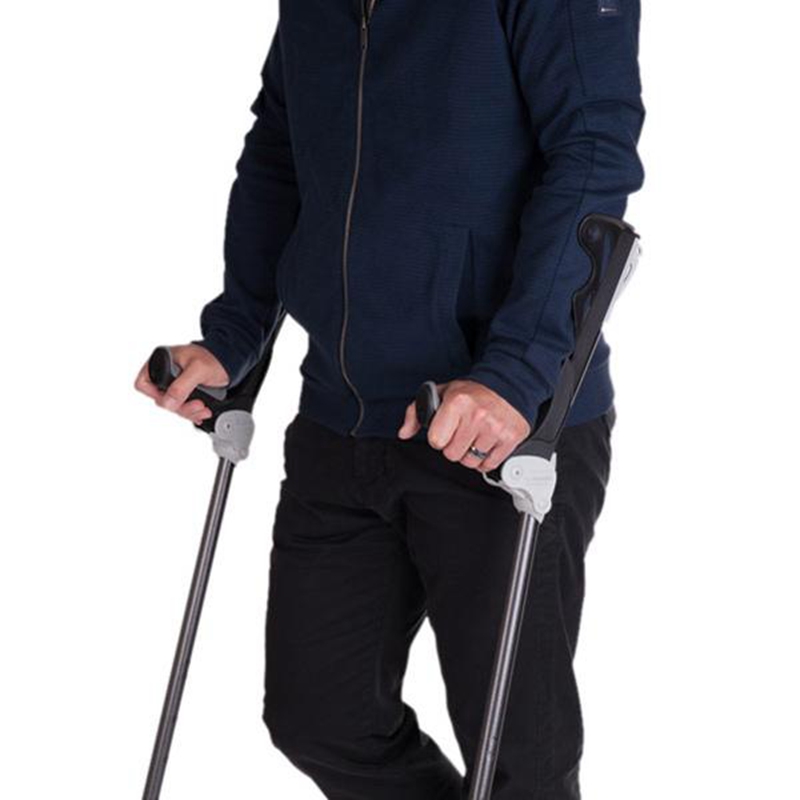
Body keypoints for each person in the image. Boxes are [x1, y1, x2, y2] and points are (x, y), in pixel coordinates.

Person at [135, 1, 644, 796]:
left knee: (518, 764)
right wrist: (234, 334)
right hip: (340, 417)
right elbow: (281, 147)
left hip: (495, 427)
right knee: (319, 718)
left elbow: (591, 156)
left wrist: (512, 373)